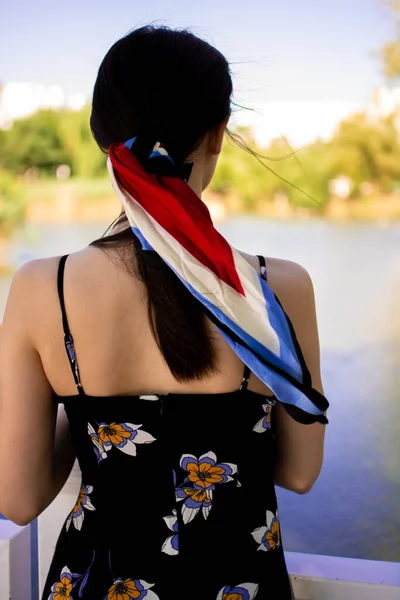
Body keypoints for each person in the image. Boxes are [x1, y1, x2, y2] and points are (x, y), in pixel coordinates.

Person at [0, 26, 328, 600]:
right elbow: (299, 474)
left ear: (104, 139)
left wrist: (94, 423)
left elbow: (19, 497)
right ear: (217, 135)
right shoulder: (277, 291)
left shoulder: (41, 288)